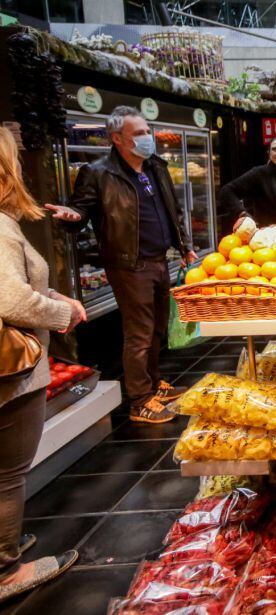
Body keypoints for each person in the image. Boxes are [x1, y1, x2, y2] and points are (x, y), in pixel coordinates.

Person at [45, 106, 196, 424]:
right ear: (117, 138)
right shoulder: (99, 173)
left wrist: (184, 246)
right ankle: (140, 399)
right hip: (129, 264)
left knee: (157, 328)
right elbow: (80, 210)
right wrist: (72, 217)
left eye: (146, 131)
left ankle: (154, 384)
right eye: (139, 133)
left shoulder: (155, 166)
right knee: (139, 333)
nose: (147, 138)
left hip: (159, 260)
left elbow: (173, 208)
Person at [0, 126, 82, 600]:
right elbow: (11, 297)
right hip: (9, 369)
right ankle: (7, 570)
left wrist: (48, 294)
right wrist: (60, 311)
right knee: (7, 471)